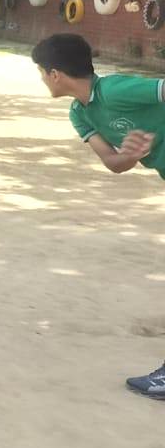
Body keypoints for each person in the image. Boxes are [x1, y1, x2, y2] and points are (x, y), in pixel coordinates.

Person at [28, 34, 165, 400]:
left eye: (41, 72)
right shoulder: (80, 113)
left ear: (55, 74)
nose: (42, 79)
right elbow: (113, 163)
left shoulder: (115, 90)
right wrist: (132, 155)